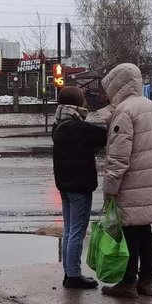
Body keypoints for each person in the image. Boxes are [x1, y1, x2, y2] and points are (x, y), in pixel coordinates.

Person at [100, 62, 152, 298]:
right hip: (150, 179)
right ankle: (146, 281)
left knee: (129, 232)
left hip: (131, 181)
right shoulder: (151, 107)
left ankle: (127, 282)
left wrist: (110, 189)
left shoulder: (124, 111)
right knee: (145, 231)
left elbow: (118, 156)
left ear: (117, 84)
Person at [52, 87, 108, 290]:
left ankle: (69, 274)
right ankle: (74, 276)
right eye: (83, 100)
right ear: (77, 104)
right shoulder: (77, 127)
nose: (85, 103)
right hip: (79, 186)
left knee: (69, 231)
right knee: (77, 231)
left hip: (64, 185)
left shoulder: (59, 124)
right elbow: (105, 136)